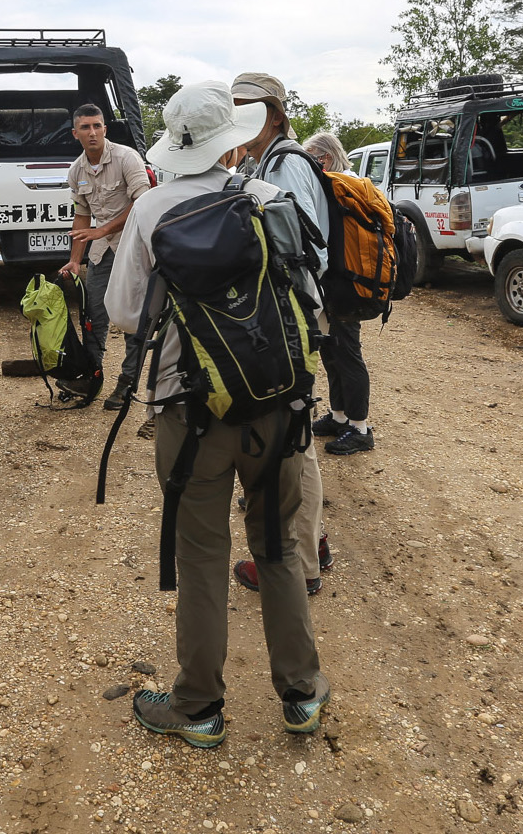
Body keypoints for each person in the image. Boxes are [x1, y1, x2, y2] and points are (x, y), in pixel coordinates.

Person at [106, 80, 329, 749]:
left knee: (203, 557)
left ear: (177, 143)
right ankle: (301, 695)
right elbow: (311, 306)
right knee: (280, 549)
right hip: (275, 409)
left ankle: (198, 707)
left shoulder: (151, 210)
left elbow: (122, 311)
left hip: (190, 412)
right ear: (231, 141)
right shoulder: (270, 200)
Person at [229, 75, 337, 596]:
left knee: (294, 441)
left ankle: (302, 562)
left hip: (290, 315)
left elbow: (307, 249)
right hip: (284, 313)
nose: (237, 117)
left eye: (246, 108)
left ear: (273, 114)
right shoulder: (264, 161)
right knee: (293, 435)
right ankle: (310, 543)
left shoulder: (287, 163)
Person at [57, 103, 152, 410]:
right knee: (92, 317)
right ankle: (92, 377)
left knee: (131, 317)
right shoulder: (77, 170)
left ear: (105, 129)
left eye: (97, 126)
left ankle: (127, 384)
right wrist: (74, 260)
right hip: (102, 253)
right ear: (76, 134)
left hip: (134, 248)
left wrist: (104, 229)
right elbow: (82, 216)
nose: (93, 132)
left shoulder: (126, 157)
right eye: (85, 127)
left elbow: (142, 203)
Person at [298, 130, 375, 458]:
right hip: (334, 282)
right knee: (330, 350)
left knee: (347, 351)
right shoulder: (339, 184)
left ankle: (360, 428)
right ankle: (339, 415)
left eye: (313, 158)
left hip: (346, 283)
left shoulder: (343, 186)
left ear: (325, 157)